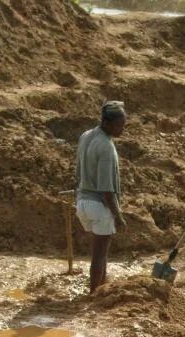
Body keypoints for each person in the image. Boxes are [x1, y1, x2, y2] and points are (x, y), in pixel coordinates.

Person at [75, 101, 127, 293]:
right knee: (100, 255)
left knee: (98, 251)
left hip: (82, 202)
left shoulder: (86, 136)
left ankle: (100, 289)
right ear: (107, 123)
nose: (122, 129)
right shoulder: (106, 146)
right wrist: (118, 216)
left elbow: (78, 171)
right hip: (99, 205)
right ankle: (95, 294)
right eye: (119, 125)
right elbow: (106, 189)